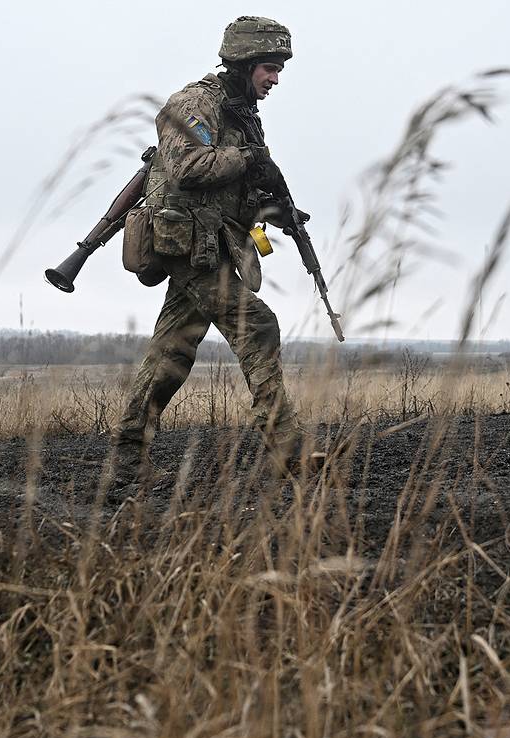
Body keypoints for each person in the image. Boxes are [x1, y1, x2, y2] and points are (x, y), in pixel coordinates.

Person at [110, 16, 311, 493]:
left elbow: (229, 186)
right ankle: (288, 450)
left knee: (172, 352)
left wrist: (275, 209)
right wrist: (249, 159)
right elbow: (186, 168)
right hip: (186, 245)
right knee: (256, 324)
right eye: (268, 67)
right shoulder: (196, 102)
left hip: (209, 242)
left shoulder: (239, 110)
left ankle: (127, 456)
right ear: (243, 63)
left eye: (279, 68)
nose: (275, 79)